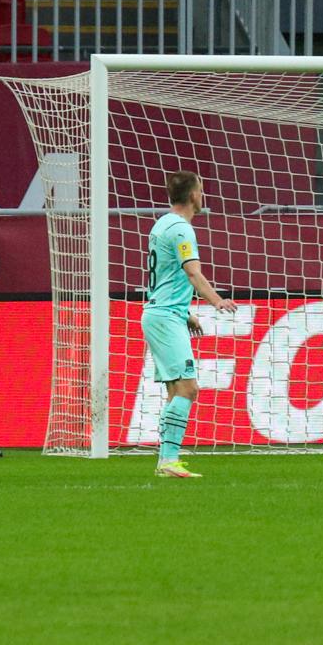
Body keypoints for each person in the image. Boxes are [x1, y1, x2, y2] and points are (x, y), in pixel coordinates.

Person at [143, 171, 236, 478]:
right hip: (165, 317)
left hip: (162, 313)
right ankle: (168, 460)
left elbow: (164, 277)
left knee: (175, 391)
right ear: (194, 195)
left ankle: (166, 462)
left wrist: (185, 312)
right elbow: (191, 272)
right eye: (201, 189)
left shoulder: (161, 224)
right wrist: (216, 300)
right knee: (188, 388)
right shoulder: (182, 229)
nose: (202, 194)